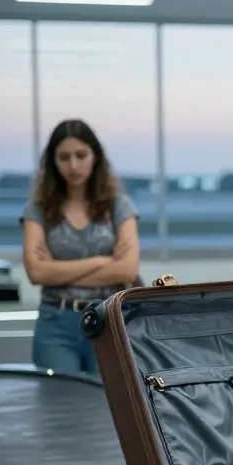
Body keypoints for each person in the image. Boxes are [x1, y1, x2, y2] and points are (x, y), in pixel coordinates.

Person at [20, 119, 140, 375]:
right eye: (64, 157)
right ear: (52, 161)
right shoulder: (38, 208)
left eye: (81, 155)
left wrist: (57, 269)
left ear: (95, 157)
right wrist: (102, 261)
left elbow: (127, 270)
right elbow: (37, 273)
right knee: (61, 399)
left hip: (108, 320)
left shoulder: (118, 205)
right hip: (56, 322)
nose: (73, 165)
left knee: (106, 399)